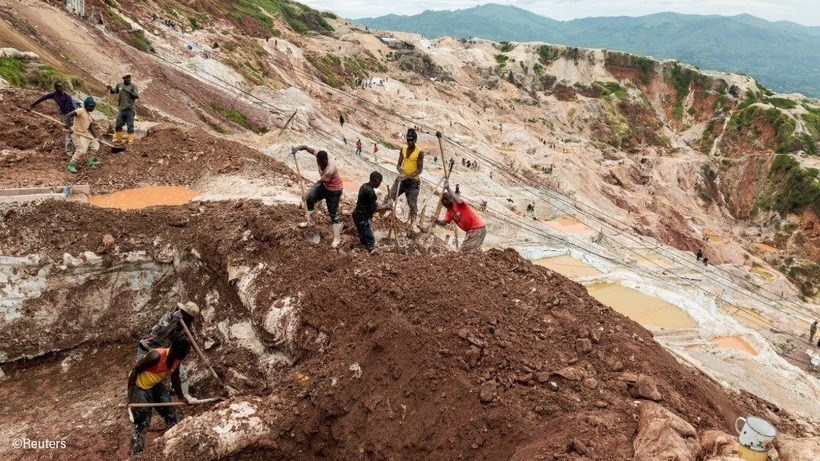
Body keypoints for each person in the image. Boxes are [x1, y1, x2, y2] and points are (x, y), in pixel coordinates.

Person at [127, 337, 191, 455]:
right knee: (143, 421)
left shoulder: (177, 358)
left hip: (154, 384)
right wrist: (129, 397)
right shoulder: (155, 356)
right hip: (139, 386)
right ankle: (136, 453)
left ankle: (175, 442)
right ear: (173, 350)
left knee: (169, 412)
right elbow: (135, 371)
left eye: (181, 358)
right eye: (178, 356)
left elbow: (175, 378)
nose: (179, 360)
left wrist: (181, 397)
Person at [138, 301, 200, 401]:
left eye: (191, 319)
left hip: (167, 351)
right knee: (142, 373)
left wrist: (198, 352)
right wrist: (175, 323)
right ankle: (136, 401)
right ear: (183, 312)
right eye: (187, 317)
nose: (190, 320)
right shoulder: (169, 317)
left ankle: (185, 396)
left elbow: (192, 340)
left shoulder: (189, 325)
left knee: (180, 372)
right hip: (149, 346)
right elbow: (160, 333)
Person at [292, 145, 344, 248]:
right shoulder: (319, 154)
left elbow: (319, 183)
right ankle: (310, 221)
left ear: (326, 160)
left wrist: (307, 192)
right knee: (310, 199)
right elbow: (306, 147)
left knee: (333, 214)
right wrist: (297, 149)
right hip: (326, 186)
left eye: (323, 162)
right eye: (320, 162)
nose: (321, 164)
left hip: (334, 191)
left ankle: (337, 238)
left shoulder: (330, 169)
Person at [432, 181, 487, 252]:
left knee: (462, 252)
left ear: (450, 199)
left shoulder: (459, 203)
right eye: (443, 202)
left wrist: (448, 188)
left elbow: (458, 200)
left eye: (445, 200)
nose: (444, 204)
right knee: (470, 252)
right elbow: (444, 223)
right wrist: (436, 220)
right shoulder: (449, 211)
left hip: (477, 229)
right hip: (472, 231)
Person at [30, 81, 77, 156]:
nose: (60, 88)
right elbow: (42, 98)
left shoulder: (67, 96)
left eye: (61, 86)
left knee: (73, 131)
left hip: (72, 114)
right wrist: (32, 106)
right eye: (58, 87)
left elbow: (68, 112)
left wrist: (68, 125)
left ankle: (75, 149)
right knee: (68, 133)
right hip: (64, 115)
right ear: (55, 88)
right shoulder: (54, 94)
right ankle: (70, 151)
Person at [390, 128, 425, 225]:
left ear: (415, 140)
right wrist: (399, 169)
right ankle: (382, 215)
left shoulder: (419, 152)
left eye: (412, 140)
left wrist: (408, 176)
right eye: (408, 140)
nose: (410, 142)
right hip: (402, 179)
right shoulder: (403, 149)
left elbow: (420, 170)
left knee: (412, 205)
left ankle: (412, 224)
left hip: (413, 182)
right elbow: (398, 164)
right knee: (390, 196)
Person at [353, 171, 392, 253]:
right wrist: (387, 206)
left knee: (364, 235)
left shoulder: (364, 186)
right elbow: (374, 209)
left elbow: (370, 202)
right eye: (380, 182)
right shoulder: (371, 192)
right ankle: (368, 253)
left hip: (357, 214)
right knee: (370, 241)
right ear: (377, 180)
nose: (379, 184)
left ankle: (363, 247)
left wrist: (382, 205)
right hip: (362, 218)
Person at [64, 96, 101, 173]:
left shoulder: (89, 114)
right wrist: (69, 128)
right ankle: (71, 164)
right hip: (76, 133)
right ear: (87, 106)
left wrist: (95, 137)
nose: (93, 108)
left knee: (95, 145)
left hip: (85, 133)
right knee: (81, 151)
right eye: (92, 107)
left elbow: (90, 127)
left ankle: (90, 161)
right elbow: (68, 115)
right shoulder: (80, 110)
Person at [107, 74, 139, 144]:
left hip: (130, 109)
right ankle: (118, 138)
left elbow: (136, 96)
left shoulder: (133, 86)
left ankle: (130, 139)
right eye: (127, 78)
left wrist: (129, 92)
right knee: (118, 124)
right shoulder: (119, 85)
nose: (129, 79)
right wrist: (110, 88)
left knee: (130, 125)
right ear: (123, 79)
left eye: (129, 78)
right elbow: (113, 92)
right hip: (121, 109)